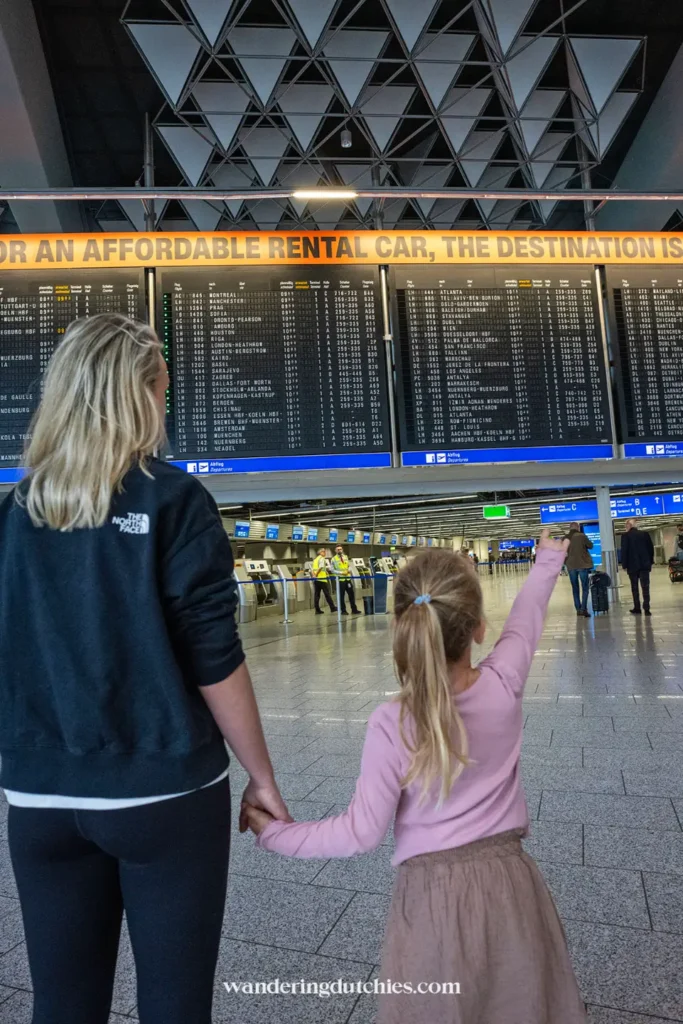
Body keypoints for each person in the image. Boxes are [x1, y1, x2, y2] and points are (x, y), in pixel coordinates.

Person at [0, 313, 290, 1024]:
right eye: (163, 386)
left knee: (62, 1003)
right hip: (164, 792)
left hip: (39, 798)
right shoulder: (174, 499)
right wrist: (261, 776)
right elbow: (213, 655)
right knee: (174, 1004)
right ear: (147, 392)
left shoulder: (14, 511)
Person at [245, 533, 586, 1024]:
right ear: (478, 628)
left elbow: (359, 834)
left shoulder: (393, 723)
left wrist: (273, 833)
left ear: (400, 627)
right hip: (512, 889)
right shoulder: (503, 684)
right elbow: (525, 620)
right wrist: (549, 558)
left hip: (432, 902)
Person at [621, 518, 655, 616]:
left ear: (629, 525)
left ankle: (637, 608)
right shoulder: (645, 534)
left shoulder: (625, 536)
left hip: (632, 566)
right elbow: (650, 549)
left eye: (626, 525)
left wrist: (624, 564)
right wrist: (650, 561)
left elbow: (624, 551)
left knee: (634, 588)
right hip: (644, 565)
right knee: (645, 588)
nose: (625, 527)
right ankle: (647, 609)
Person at [565, 522, 593, 618]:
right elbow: (590, 546)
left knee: (575, 588)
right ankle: (583, 609)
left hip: (571, 566)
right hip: (582, 565)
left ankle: (578, 609)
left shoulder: (565, 538)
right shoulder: (582, 536)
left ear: (570, 528)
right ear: (577, 528)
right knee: (585, 587)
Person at [331, 545, 361, 615]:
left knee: (351, 595)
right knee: (341, 596)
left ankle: (354, 609)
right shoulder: (333, 559)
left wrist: (348, 570)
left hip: (348, 579)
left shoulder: (345, 557)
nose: (339, 550)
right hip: (341, 580)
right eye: (338, 549)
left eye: (340, 549)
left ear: (342, 550)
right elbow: (332, 570)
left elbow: (349, 566)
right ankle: (343, 610)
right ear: (335, 551)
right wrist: (341, 573)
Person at [311, 547, 337, 615]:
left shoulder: (315, 559)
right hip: (322, 579)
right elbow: (321, 567)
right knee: (327, 594)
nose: (325, 553)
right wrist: (316, 574)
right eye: (323, 551)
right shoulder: (322, 559)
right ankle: (332, 607)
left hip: (316, 580)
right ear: (320, 552)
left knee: (317, 595)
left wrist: (314, 575)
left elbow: (312, 569)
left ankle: (317, 610)